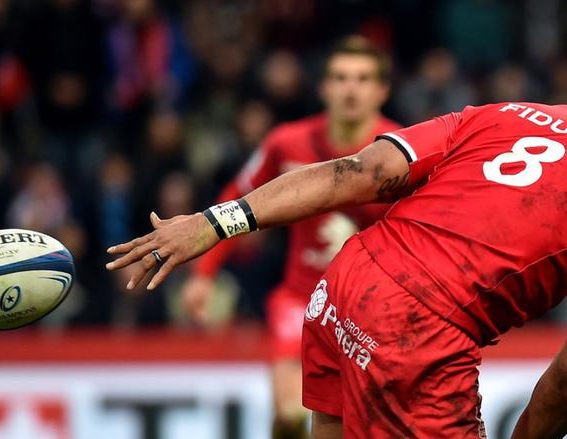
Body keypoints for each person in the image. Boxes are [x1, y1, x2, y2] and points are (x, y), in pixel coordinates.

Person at [106, 101, 566, 438]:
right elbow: (562, 383)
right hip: (419, 327)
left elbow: (360, 171)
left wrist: (212, 222)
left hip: (348, 280)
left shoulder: (509, 113)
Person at [180, 35, 399, 437]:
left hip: (373, 310)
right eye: (340, 77)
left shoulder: (399, 152)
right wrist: (203, 274)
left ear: (382, 90)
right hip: (302, 299)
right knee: (291, 416)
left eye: (363, 79)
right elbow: (235, 201)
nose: (351, 89)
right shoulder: (286, 142)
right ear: (324, 87)